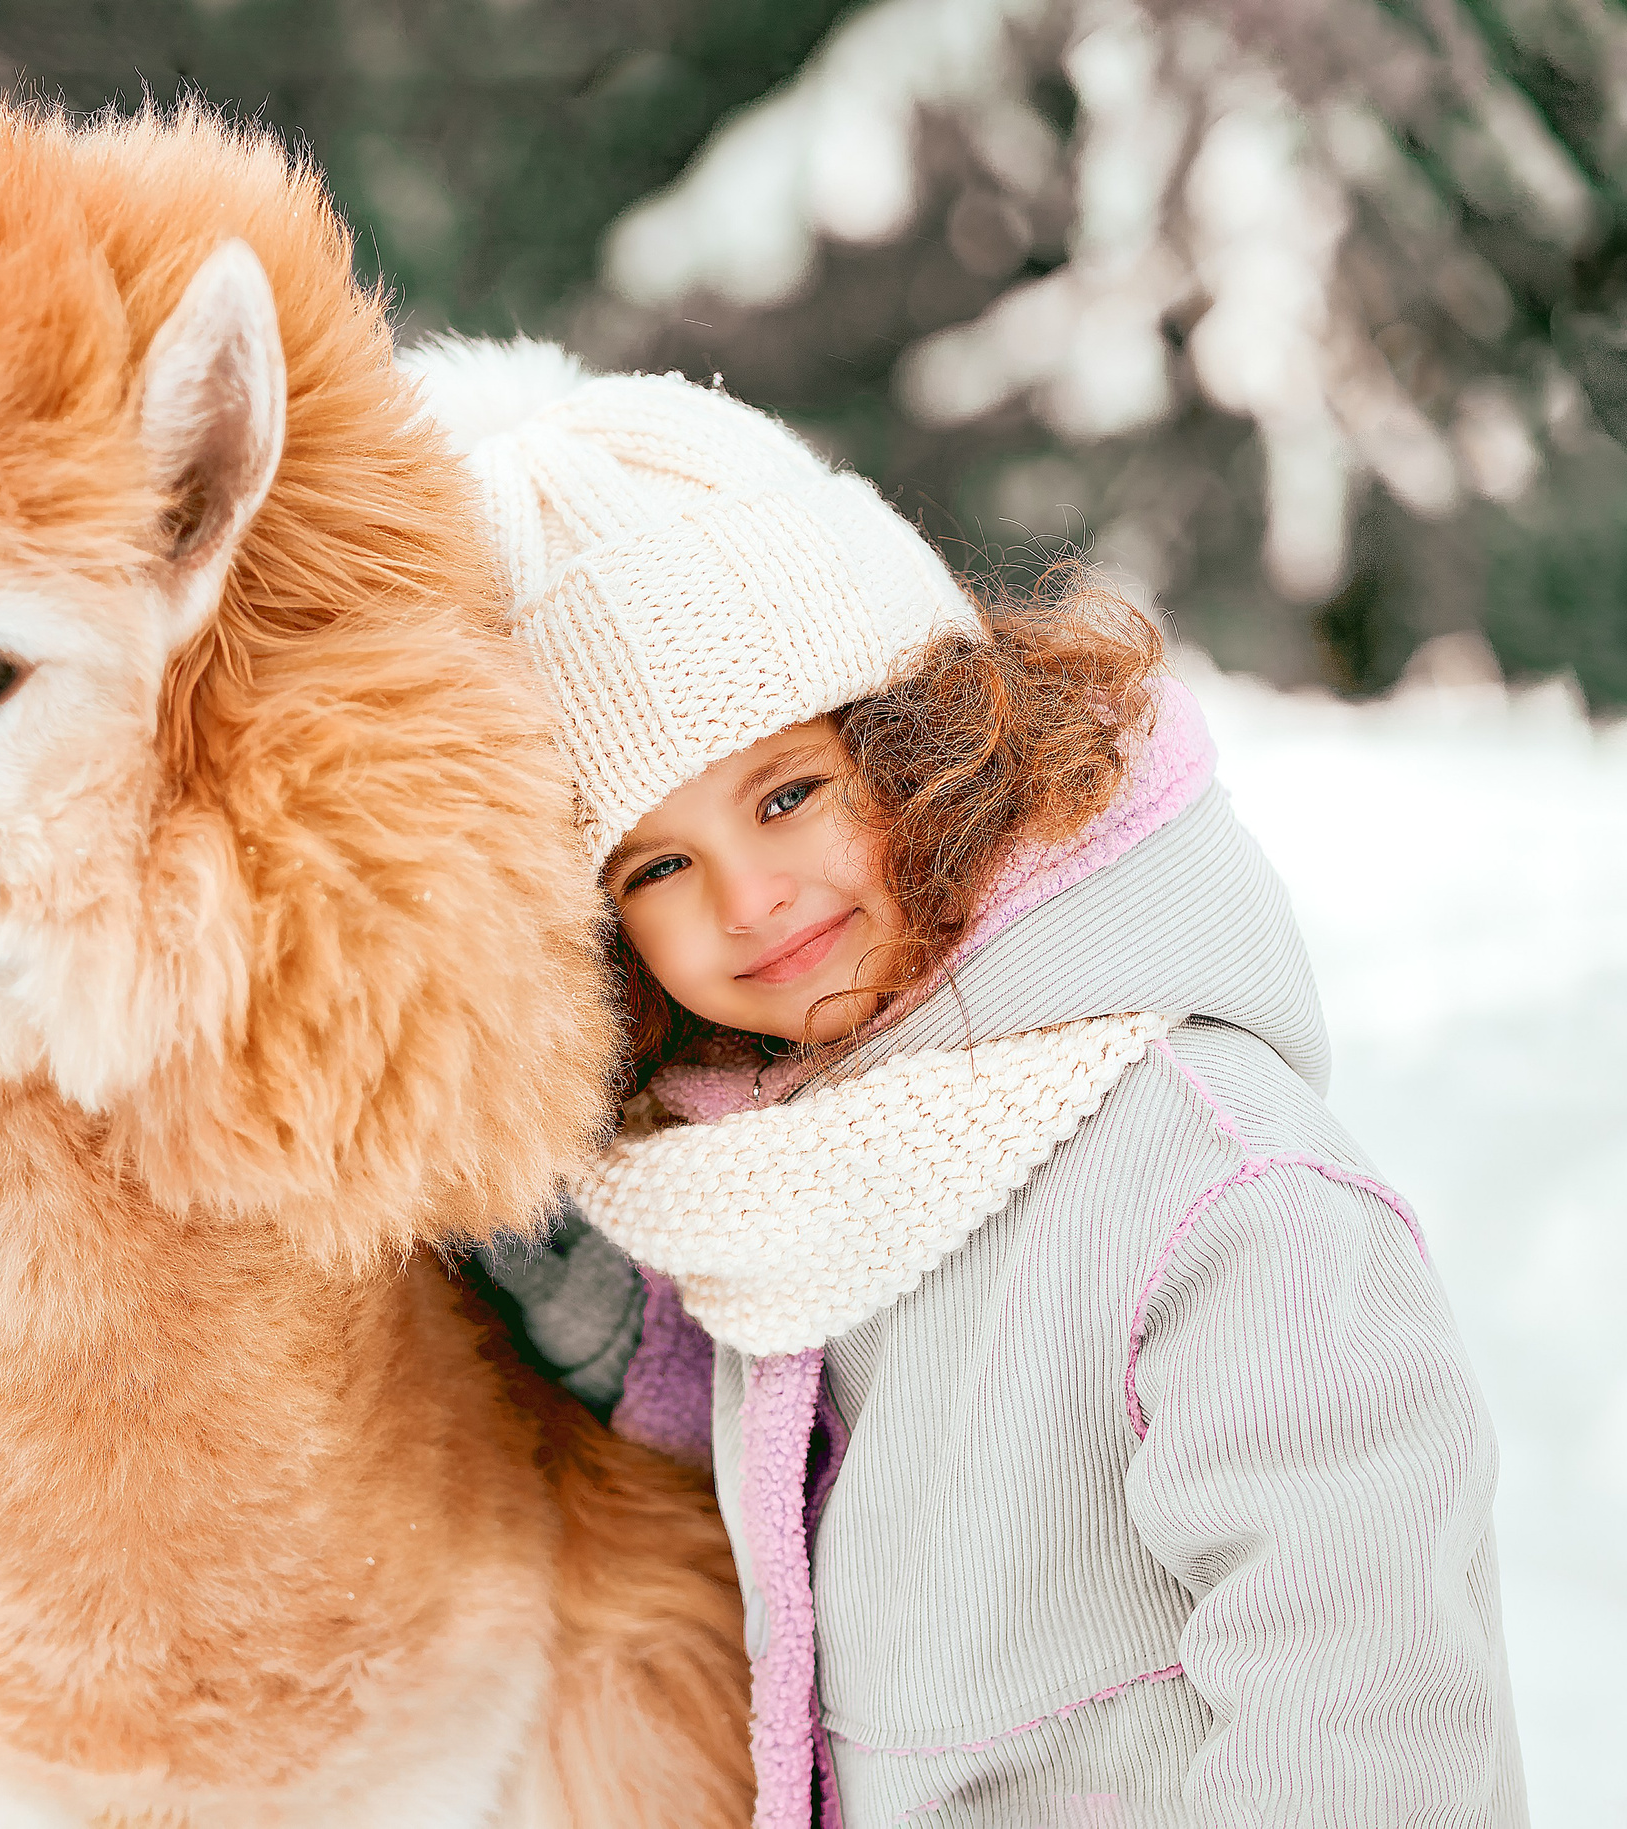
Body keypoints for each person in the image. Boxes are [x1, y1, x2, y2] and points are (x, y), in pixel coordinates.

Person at [410, 338, 1527, 1826]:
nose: (747, 898)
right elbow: (753, 1404)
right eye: (656, 867)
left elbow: (1373, 1705)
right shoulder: (794, 1163)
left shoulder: (1215, 1188)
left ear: (923, 744)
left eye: (787, 792)